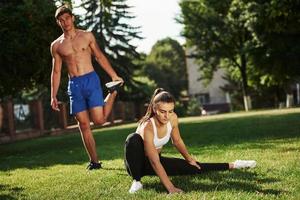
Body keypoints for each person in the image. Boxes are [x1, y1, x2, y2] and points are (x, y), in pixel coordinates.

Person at [124, 88, 256, 194]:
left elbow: (177, 141)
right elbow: (153, 160)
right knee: (132, 139)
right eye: (163, 111)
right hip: (137, 165)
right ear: (154, 109)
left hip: (155, 161)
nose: (167, 116)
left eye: (170, 111)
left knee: (194, 167)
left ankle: (234, 164)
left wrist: (189, 159)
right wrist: (171, 188)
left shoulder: (173, 118)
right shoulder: (147, 126)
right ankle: (136, 181)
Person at [50, 5, 124, 170]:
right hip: (74, 85)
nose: (65, 22)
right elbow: (56, 71)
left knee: (99, 120)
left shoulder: (86, 36)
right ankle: (94, 161)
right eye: (61, 20)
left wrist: (113, 75)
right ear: (58, 23)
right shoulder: (56, 45)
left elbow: (98, 56)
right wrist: (53, 95)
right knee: (83, 124)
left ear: (73, 18)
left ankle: (112, 92)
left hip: (91, 80)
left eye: (67, 18)